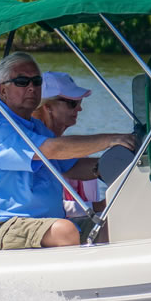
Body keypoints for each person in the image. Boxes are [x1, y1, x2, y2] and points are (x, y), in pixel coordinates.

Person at [0, 53, 135, 252]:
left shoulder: (34, 126)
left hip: (40, 223)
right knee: (65, 231)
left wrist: (123, 164)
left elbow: (73, 166)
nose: (32, 87)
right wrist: (111, 139)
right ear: (3, 90)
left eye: (36, 81)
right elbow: (51, 149)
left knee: (112, 224)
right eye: (22, 82)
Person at [31, 72, 103, 222]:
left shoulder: (77, 156)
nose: (79, 109)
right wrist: (100, 206)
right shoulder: (29, 150)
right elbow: (41, 207)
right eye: (72, 103)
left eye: (80, 102)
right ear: (48, 106)